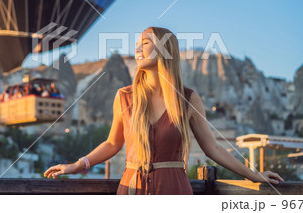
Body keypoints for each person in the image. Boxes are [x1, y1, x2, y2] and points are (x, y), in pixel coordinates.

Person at [44, 27, 284, 194]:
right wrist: (77, 165)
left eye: (145, 43)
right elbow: (112, 144)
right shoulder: (124, 96)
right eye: (137, 44)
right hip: (132, 191)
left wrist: (254, 175)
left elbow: (213, 148)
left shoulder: (187, 99)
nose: (138, 49)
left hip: (174, 191)